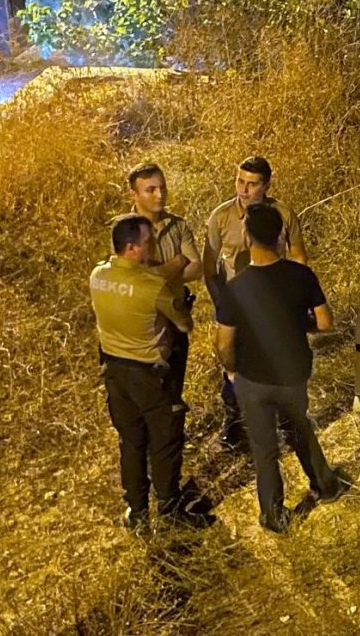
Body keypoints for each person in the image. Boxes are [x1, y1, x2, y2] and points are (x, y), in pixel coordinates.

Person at [213, 204, 341, 533]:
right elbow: (325, 322)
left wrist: (232, 371)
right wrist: (298, 326)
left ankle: (273, 514)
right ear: (280, 237)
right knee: (300, 428)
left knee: (265, 448)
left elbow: (224, 343)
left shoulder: (236, 288)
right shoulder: (301, 275)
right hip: (292, 373)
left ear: (247, 236)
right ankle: (325, 485)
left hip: (253, 380)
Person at [90, 214, 212, 531]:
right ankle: (170, 510)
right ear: (133, 248)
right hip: (150, 377)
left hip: (115, 374)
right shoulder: (152, 288)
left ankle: (137, 510)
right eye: (147, 242)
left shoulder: (97, 275)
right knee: (165, 443)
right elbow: (184, 323)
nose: (151, 246)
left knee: (131, 443)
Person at [204, 156, 307, 450]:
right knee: (233, 369)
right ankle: (234, 426)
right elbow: (209, 267)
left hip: (274, 305)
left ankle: (288, 425)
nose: (243, 190)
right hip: (238, 305)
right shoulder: (221, 217)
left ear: (267, 185)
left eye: (251, 184)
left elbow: (299, 256)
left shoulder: (283, 214)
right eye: (240, 181)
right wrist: (221, 304)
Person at [126, 162, 202, 421]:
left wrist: (156, 275)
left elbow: (197, 268)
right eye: (150, 190)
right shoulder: (121, 230)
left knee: (172, 397)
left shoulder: (177, 225)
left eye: (162, 188)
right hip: (139, 330)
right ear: (134, 195)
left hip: (174, 322)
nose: (160, 195)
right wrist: (177, 262)